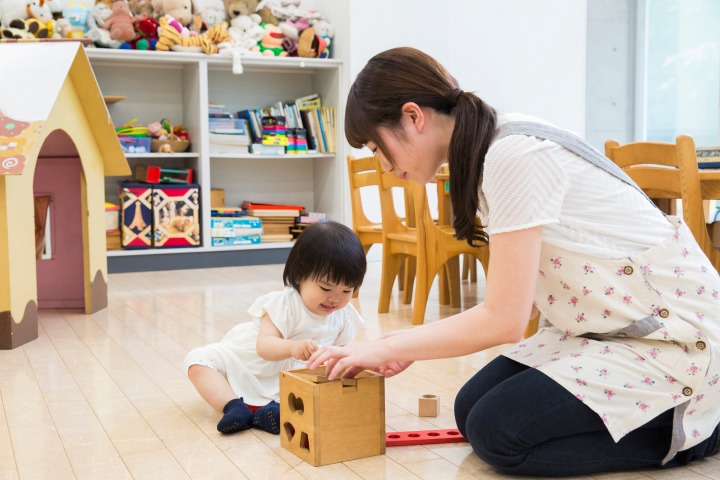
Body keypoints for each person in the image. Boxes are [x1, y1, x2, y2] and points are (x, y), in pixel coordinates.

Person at [307, 47, 720, 476]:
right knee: (469, 410)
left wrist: (386, 346)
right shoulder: (489, 149)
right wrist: (405, 348)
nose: (383, 165)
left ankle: (700, 429)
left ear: (413, 117)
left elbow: (503, 319)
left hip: (675, 339)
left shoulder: (512, 156)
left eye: (378, 146)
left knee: (498, 433)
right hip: (611, 328)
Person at [185, 220, 367, 435]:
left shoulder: (344, 315)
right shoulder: (284, 303)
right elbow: (264, 346)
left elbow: (341, 355)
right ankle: (233, 406)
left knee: (322, 391)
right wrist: (292, 348)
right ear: (300, 274)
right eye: (326, 287)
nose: (335, 299)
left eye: (347, 291)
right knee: (197, 361)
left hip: (295, 378)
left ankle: (273, 412)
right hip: (253, 363)